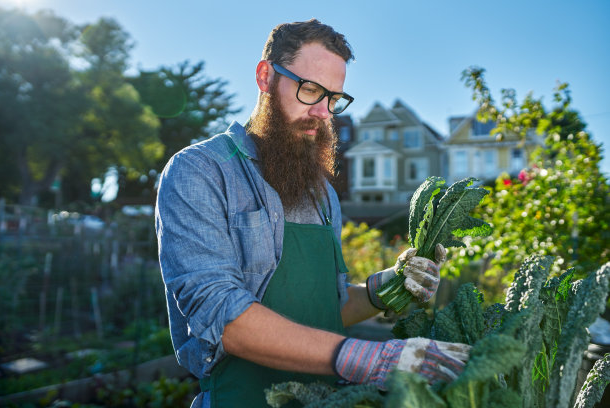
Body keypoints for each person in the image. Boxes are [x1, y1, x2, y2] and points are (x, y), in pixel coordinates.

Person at [155, 19, 470, 408]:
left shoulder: (320, 192)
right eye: (310, 90)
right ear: (265, 76)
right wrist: (371, 359)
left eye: (333, 98)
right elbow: (224, 320)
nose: (323, 113)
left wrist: (387, 285)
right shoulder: (201, 171)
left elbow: (326, 308)